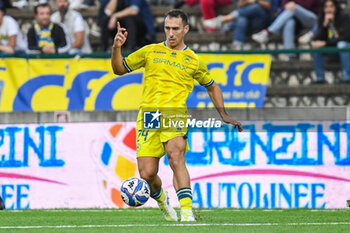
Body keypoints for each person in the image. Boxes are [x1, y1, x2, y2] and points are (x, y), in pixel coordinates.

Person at [111, 9, 243, 221]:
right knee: (147, 174)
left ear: (186, 29)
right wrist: (117, 47)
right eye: (167, 28)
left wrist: (224, 114)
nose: (170, 33)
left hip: (174, 115)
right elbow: (119, 69)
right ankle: (163, 201)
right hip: (148, 116)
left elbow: (212, 86)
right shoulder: (150, 51)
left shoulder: (193, 60)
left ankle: (187, 212)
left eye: (175, 29)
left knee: (176, 156)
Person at [252, 0, 319, 55]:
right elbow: (283, 6)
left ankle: (267, 32)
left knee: (294, 7)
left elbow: (307, 5)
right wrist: (287, 6)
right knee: (289, 22)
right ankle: (289, 56)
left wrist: (291, 4)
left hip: (313, 20)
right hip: (295, 19)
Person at [203, 0, 272, 50]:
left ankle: (223, 19)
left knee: (256, 7)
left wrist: (255, 1)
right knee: (242, 20)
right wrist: (247, 2)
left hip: (260, 21)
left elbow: (269, 6)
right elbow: (238, 6)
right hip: (245, 23)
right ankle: (237, 48)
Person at [311, 0, 350, 84]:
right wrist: (324, 25)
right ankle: (320, 78)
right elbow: (317, 38)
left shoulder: (344, 16)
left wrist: (326, 43)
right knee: (317, 46)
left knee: (342, 44)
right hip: (331, 50)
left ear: (335, 7)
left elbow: (346, 37)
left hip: (344, 50)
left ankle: (346, 77)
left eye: (331, 6)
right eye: (326, 7)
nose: (329, 9)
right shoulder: (322, 18)